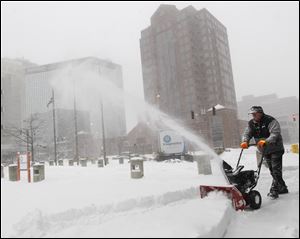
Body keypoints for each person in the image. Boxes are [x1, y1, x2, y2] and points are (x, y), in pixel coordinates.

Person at [240, 106, 288, 199]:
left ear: (260, 113)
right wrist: (245, 141)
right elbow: (247, 133)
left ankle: (274, 190)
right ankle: (282, 188)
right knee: (272, 170)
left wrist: (266, 141)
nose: (253, 116)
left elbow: (275, 134)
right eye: (251, 114)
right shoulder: (251, 123)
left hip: (276, 149)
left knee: (276, 170)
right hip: (265, 150)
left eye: (255, 114)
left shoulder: (270, 120)